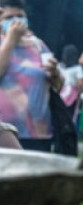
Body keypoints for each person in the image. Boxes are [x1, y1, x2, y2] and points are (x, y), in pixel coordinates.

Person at [0, 0, 60, 152]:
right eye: (9, 17)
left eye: (20, 16)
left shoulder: (38, 45)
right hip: (5, 132)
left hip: (38, 132)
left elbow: (58, 86)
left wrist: (55, 73)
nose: (16, 21)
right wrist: (10, 40)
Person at [58, 44, 83, 123]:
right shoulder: (77, 68)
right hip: (73, 94)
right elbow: (80, 83)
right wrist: (79, 95)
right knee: (73, 115)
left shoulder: (59, 66)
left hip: (61, 92)